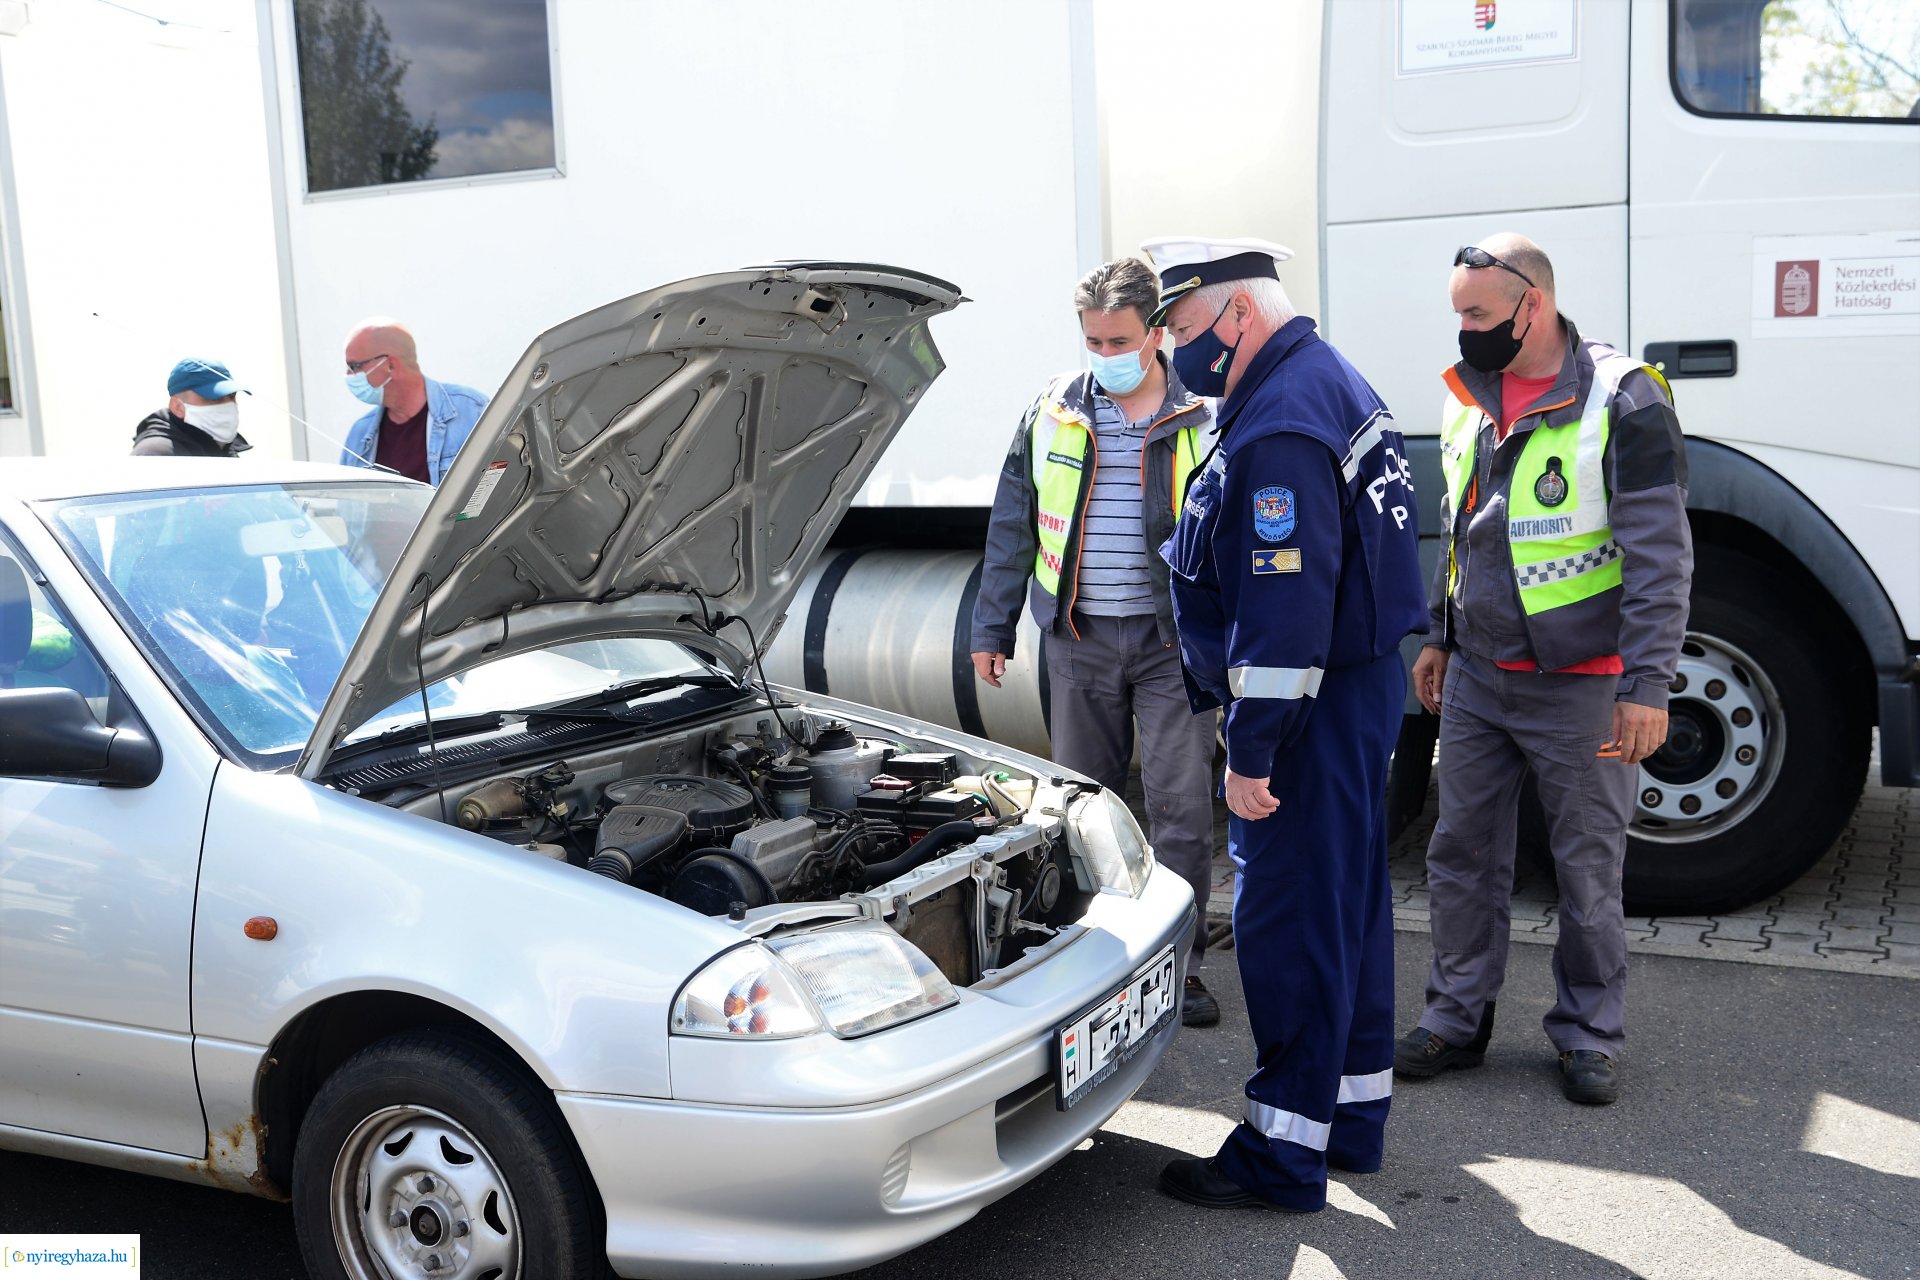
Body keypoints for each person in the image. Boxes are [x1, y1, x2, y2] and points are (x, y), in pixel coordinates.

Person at [1146, 236, 1426, 1213]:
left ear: (1235, 315)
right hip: (1353, 690)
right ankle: (1347, 1119)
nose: (1173, 351)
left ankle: (1280, 1154)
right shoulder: (1321, 379)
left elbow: (1285, 606)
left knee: (1289, 923)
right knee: (1347, 910)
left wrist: (1251, 749)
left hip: (1307, 706)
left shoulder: (1278, 425)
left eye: (1180, 328)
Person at [1396, 234, 1692, 1106]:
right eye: (1457, 313)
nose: (1463, 330)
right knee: (1460, 856)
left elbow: (1660, 558)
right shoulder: (1467, 397)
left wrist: (1646, 686)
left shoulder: (1624, 399)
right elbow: (1467, 537)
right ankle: (1456, 1019)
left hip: (1586, 685)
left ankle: (1588, 1034)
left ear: (1534, 303)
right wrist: (1441, 636)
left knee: (1587, 868)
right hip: (1483, 677)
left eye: (1477, 313)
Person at [969, 257, 1222, 1026]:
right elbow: (1014, 517)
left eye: (1118, 338)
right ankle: (1097, 962)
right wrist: (991, 623)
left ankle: (1180, 965)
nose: (1104, 353)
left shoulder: (1204, 412)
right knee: (1083, 807)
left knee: (1180, 809)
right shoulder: (1053, 406)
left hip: (1172, 642)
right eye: (1092, 339)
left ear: (1153, 332)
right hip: (1077, 638)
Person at [339, 317, 487, 485]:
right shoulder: (359, 434)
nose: (349, 375)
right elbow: (346, 506)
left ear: (389, 364)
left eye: (355, 366)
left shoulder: (472, 412)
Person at [131, 358, 252, 457]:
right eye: (214, 398)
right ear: (178, 407)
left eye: (231, 396)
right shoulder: (156, 454)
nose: (229, 405)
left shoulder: (224, 449)